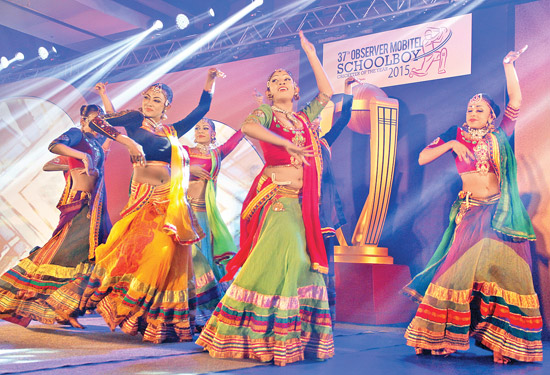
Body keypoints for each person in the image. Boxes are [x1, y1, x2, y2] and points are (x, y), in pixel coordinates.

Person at [196, 31, 334, 366]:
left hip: (303, 205)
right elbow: (247, 127)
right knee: (285, 259)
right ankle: (251, 334)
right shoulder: (267, 115)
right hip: (277, 200)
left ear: (296, 90)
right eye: (276, 80)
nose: (282, 82)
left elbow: (327, 92)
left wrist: (311, 53)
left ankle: (294, 338)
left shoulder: (303, 118)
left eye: (287, 78)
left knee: (303, 266)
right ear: (270, 92)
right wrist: (285, 144)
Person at [403, 47, 543, 363]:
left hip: (497, 214)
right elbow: (423, 157)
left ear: (491, 115)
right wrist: (452, 143)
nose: (473, 112)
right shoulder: (457, 135)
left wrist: (508, 65)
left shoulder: (500, 134)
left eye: (479, 109)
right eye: (470, 108)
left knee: (501, 275)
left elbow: (516, 102)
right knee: (455, 274)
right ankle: (442, 337)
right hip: (468, 212)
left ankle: (502, 342)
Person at [79, 68, 221, 343]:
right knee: (152, 253)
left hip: (172, 199)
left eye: (157, 99)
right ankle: (136, 313)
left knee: (182, 258)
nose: (149, 102)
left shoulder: (171, 131)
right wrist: (127, 140)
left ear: (166, 106)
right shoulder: (134, 121)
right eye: (148, 97)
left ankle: (169, 321)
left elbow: (203, 107)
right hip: (148, 199)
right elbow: (98, 122)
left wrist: (210, 80)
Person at [0, 103, 143, 329]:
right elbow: (54, 146)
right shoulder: (77, 135)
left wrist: (106, 100)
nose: (98, 125)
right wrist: (77, 160)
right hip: (78, 203)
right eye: (94, 120)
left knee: (89, 257)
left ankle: (66, 308)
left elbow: (113, 129)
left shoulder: (98, 143)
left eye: (101, 122)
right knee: (65, 253)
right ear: (83, 119)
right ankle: (32, 297)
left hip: (96, 206)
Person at [186, 118, 244, 325]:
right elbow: (169, 171)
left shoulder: (217, 153)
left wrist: (260, 108)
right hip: (184, 213)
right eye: (198, 127)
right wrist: (188, 170)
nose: (201, 130)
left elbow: (241, 133)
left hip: (203, 216)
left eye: (205, 128)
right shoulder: (185, 152)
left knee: (203, 262)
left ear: (213, 134)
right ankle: (182, 311)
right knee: (189, 260)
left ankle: (201, 314)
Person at [317, 77, 356, 322]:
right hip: (298, 210)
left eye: (316, 120)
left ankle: (323, 315)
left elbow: (344, 120)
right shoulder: (291, 146)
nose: (313, 123)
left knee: (324, 262)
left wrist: (347, 91)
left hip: (322, 213)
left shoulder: (323, 142)